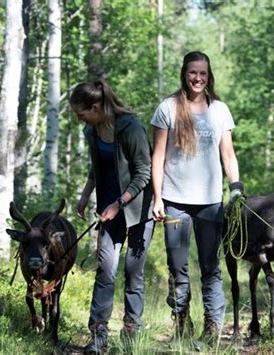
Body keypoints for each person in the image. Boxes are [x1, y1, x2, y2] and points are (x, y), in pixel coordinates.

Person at [150, 51, 244, 349]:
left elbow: (228, 154)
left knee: (210, 267)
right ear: (184, 73)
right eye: (193, 72)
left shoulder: (219, 110)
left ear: (209, 74)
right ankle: (181, 323)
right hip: (174, 200)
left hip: (210, 203)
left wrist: (236, 187)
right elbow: (158, 157)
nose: (198, 78)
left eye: (203, 73)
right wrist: (156, 198)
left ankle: (213, 328)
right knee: (178, 267)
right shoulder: (167, 108)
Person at [70, 78, 154, 353]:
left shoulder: (130, 127)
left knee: (133, 271)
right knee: (105, 269)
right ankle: (98, 337)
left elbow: (144, 172)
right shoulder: (91, 132)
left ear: (95, 107)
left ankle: (132, 334)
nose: (80, 119)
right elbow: (98, 167)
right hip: (109, 208)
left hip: (138, 207)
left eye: (82, 113)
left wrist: (120, 202)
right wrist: (85, 194)